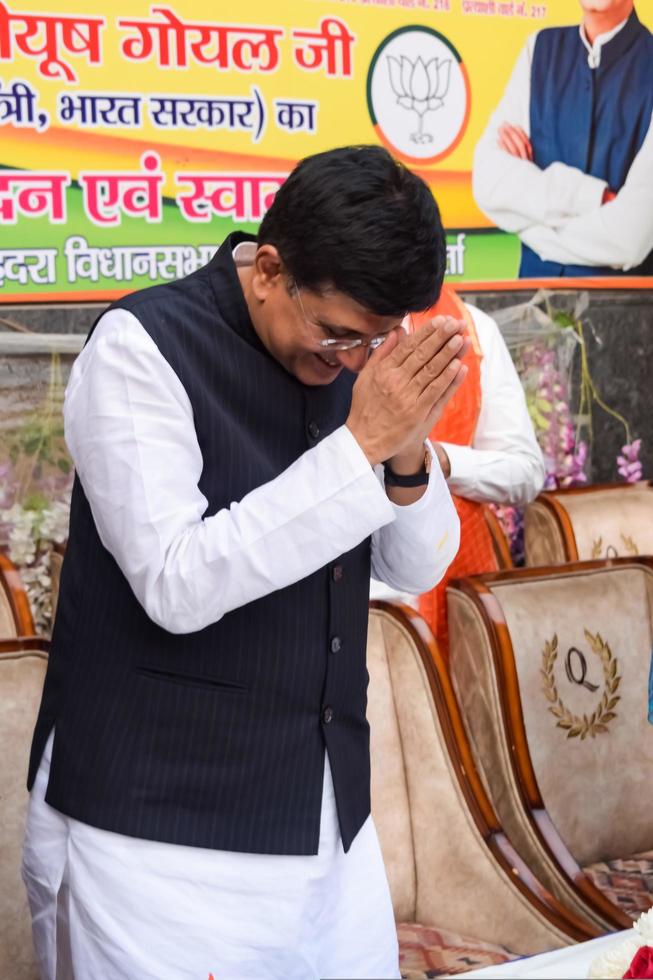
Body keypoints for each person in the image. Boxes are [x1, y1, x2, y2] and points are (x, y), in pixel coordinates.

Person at [21, 146, 467, 980]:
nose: (347, 359)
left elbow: (415, 564)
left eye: (371, 341)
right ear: (268, 269)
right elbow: (175, 581)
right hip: (160, 842)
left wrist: (405, 453)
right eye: (333, 332)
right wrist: (360, 442)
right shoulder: (140, 349)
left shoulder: (354, 354)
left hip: (327, 822)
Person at [371, 288, 545, 646]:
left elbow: (525, 472)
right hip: (352, 602)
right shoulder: (327, 331)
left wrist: (437, 459)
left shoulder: (472, 332)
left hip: (449, 588)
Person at [472, 0, 653, 277]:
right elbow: (488, 182)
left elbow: (630, 238)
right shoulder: (540, 49)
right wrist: (595, 197)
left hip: (625, 309)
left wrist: (527, 225)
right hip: (533, 298)